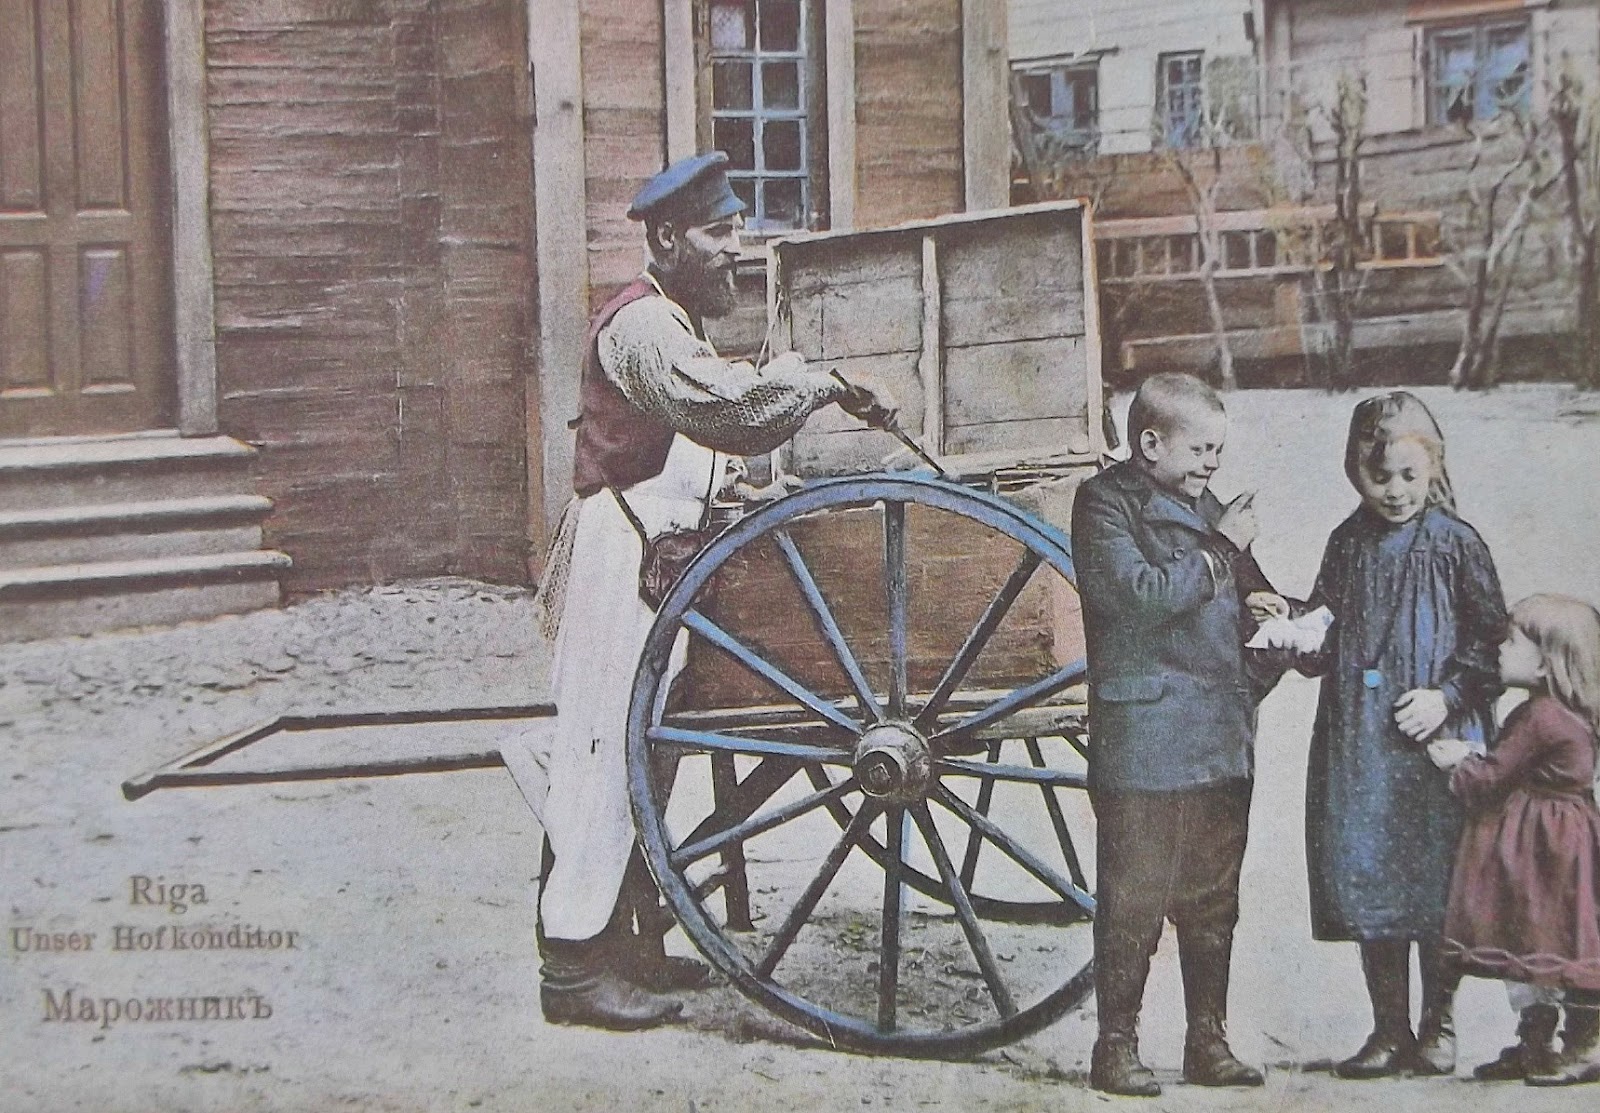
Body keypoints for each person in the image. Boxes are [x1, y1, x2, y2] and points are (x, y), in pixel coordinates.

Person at [519, 151, 896, 1030]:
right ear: (664, 237)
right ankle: (573, 967)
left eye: (736, 229)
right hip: (623, 561)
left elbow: (715, 444)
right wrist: (825, 383)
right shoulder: (644, 328)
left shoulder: (677, 320)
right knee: (600, 750)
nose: (737, 249)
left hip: (666, 563)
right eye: (718, 232)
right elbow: (723, 408)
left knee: (649, 754)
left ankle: (631, 944)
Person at [1070, 372, 1290, 1097]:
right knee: (1134, 894)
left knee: (1213, 896)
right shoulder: (1104, 504)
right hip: (1147, 738)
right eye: (1200, 450)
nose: (1211, 466)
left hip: (1220, 735)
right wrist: (1219, 553)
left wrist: (1270, 610)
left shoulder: (1211, 507)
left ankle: (1208, 1040)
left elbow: (1245, 586)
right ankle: (1116, 1045)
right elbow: (1136, 598)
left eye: (1218, 451)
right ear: (1150, 442)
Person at [1299, 391, 1507, 1078]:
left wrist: (1447, 697)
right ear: (1356, 473)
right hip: (1362, 743)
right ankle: (1388, 1027)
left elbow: (1490, 645)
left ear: (1433, 468)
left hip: (1433, 744)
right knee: (1372, 874)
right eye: (1378, 477)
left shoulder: (1456, 544)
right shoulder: (1347, 543)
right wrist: (1299, 630)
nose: (1393, 491)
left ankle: (1436, 1021)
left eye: (1408, 477)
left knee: (1435, 877)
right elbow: (1325, 624)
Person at [1428, 594, 1600, 1087]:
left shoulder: (1538, 716)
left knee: (1540, 940)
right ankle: (1541, 1045)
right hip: (1568, 838)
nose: (1498, 651)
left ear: (1547, 661)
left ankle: (1581, 1045)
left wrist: (1456, 763)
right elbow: (1531, 764)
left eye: (1509, 642)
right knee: (1555, 941)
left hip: (1537, 848)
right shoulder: (1573, 712)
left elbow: (1489, 780)